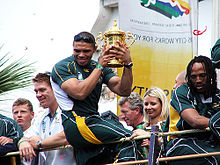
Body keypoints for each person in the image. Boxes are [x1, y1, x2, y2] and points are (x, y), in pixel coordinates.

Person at [51, 31, 140, 164]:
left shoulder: (97, 67)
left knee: (98, 158)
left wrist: (128, 64)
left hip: (93, 121)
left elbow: (124, 90)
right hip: (77, 122)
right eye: (77, 50)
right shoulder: (62, 67)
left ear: (95, 49)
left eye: (86, 51)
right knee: (128, 139)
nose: (81, 55)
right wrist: (100, 67)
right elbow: (79, 93)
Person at [165, 55, 220, 165]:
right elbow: (195, 120)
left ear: (211, 75)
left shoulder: (218, 95)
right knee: (214, 158)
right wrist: (215, 123)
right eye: (193, 77)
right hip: (183, 143)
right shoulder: (182, 91)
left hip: (212, 142)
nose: (198, 80)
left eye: (202, 75)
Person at [18, 73, 76, 165]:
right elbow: (27, 136)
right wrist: (23, 142)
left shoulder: (70, 110)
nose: (38, 95)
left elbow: (68, 135)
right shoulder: (40, 117)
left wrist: (40, 143)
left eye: (42, 90)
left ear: (55, 90)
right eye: (36, 91)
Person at [129, 87, 170, 159]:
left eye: (153, 104)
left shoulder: (167, 126)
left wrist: (151, 142)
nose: (148, 107)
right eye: (146, 104)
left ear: (162, 105)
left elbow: (169, 147)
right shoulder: (140, 127)